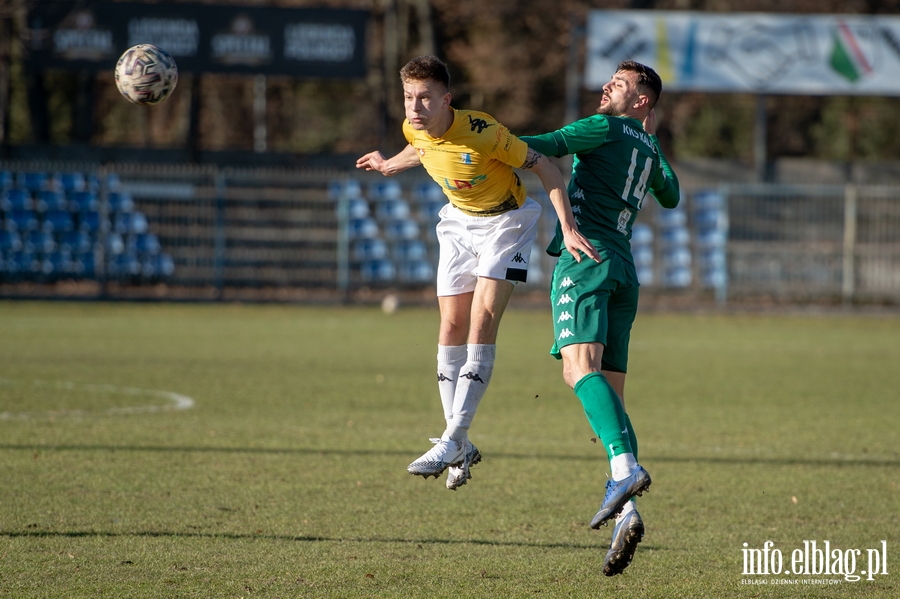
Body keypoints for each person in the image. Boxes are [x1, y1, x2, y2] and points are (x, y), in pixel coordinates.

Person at [357, 55, 599, 491]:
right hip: (458, 222)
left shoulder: (483, 132)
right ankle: (460, 444)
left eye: (426, 98)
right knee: (450, 324)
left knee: (482, 319)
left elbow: (545, 166)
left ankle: (452, 437)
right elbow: (422, 147)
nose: (415, 107)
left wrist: (567, 226)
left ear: (446, 99)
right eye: (409, 97)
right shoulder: (413, 125)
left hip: (508, 221)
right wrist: (390, 164)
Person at [520, 60, 680, 576]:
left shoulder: (603, 127)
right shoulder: (648, 146)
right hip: (624, 271)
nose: (608, 85)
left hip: (585, 258)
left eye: (622, 83)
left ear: (640, 102)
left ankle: (626, 473)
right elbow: (671, 195)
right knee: (610, 395)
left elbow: (538, 144)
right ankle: (626, 511)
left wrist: (469, 139)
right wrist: (651, 139)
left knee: (577, 371)